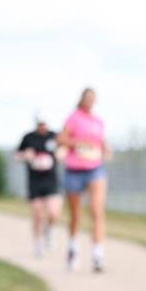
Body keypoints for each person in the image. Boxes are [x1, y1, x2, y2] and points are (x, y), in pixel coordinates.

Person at [58, 87, 110, 273]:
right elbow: (61, 139)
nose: (90, 101)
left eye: (92, 98)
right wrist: (79, 143)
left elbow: (100, 141)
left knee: (97, 211)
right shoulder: (73, 118)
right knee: (76, 215)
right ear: (81, 99)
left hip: (95, 169)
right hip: (74, 170)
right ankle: (73, 249)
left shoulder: (98, 121)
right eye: (87, 97)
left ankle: (97, 255)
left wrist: (105, 149)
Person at [16, 112, 62, 257]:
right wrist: (25, 155)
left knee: (53, 212)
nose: (42, 127)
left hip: (51, 180)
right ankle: (38, 244)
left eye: (44, 124)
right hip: (35, 181)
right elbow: (17, 154)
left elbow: (64, 149)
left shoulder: (54, 136)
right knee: (37, 214)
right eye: (40, 124)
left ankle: (49, 230)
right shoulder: (28, 137)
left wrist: (61, 153)